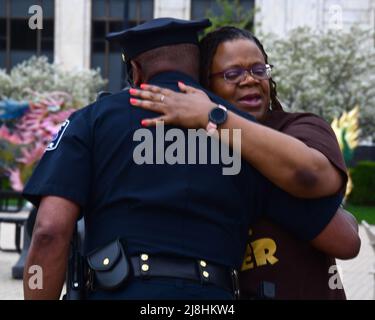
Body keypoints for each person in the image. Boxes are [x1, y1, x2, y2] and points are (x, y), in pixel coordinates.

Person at [23, 18, 347, 300]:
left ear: (135, 71)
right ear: (199, 72)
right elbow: (342, 240)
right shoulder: (248, 138)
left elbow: (49, 230)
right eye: (233, 73)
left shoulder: (91, 121)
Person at [128, 26, 360, 299]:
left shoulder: (301, 127)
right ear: (205, 84)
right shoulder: (191, 148)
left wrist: (214, 116)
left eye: (258, 70)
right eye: (232, 74)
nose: (249, 80)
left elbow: (311, 176)